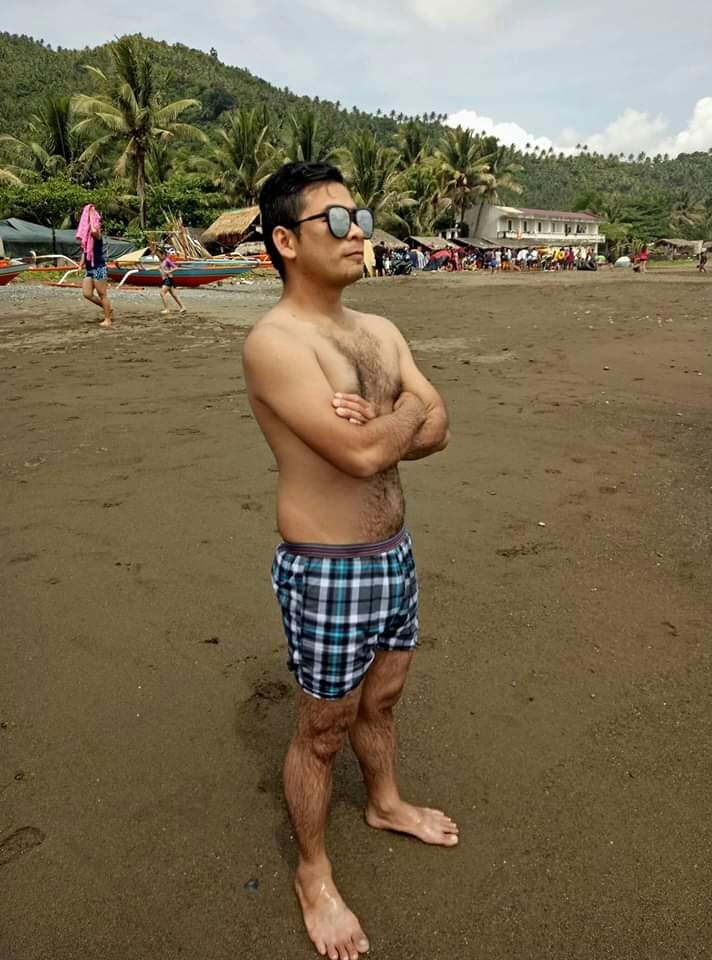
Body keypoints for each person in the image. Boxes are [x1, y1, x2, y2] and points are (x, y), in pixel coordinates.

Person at [243, 162, 455, 960]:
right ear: (286, 241)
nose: (355, 231)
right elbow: (364, 454)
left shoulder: (381, 330)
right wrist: (403, 413)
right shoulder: (274, 343)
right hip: (329, 568)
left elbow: (441, 426)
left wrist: (389, 417)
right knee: (323, 731)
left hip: (394, 554)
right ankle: (313, 871)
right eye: (334, 221)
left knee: (385, 700)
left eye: (358, 217)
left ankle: (385, 802)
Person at [76, 203, 112, 327]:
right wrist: (80, 264)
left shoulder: (98, 236)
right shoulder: (87, 241)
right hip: (90, 269)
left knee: (102, 294)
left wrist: (91, 214)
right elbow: (85, 252)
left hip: (99, 268)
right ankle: (107, 308)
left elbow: (93, 230)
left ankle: (107, 319)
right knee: (87, 294)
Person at [153, 244, 187, 315]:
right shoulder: (161, 261)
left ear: (164, 254)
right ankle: (183, 307)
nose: (158, 257)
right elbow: (159, 268)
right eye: (158, 256)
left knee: (162, 293)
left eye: (159, 255)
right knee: (174, 295)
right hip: (165, 279)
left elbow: (176, 267)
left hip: (168, 279)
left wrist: (169, 271)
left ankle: (167, 309)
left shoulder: (167, 260)